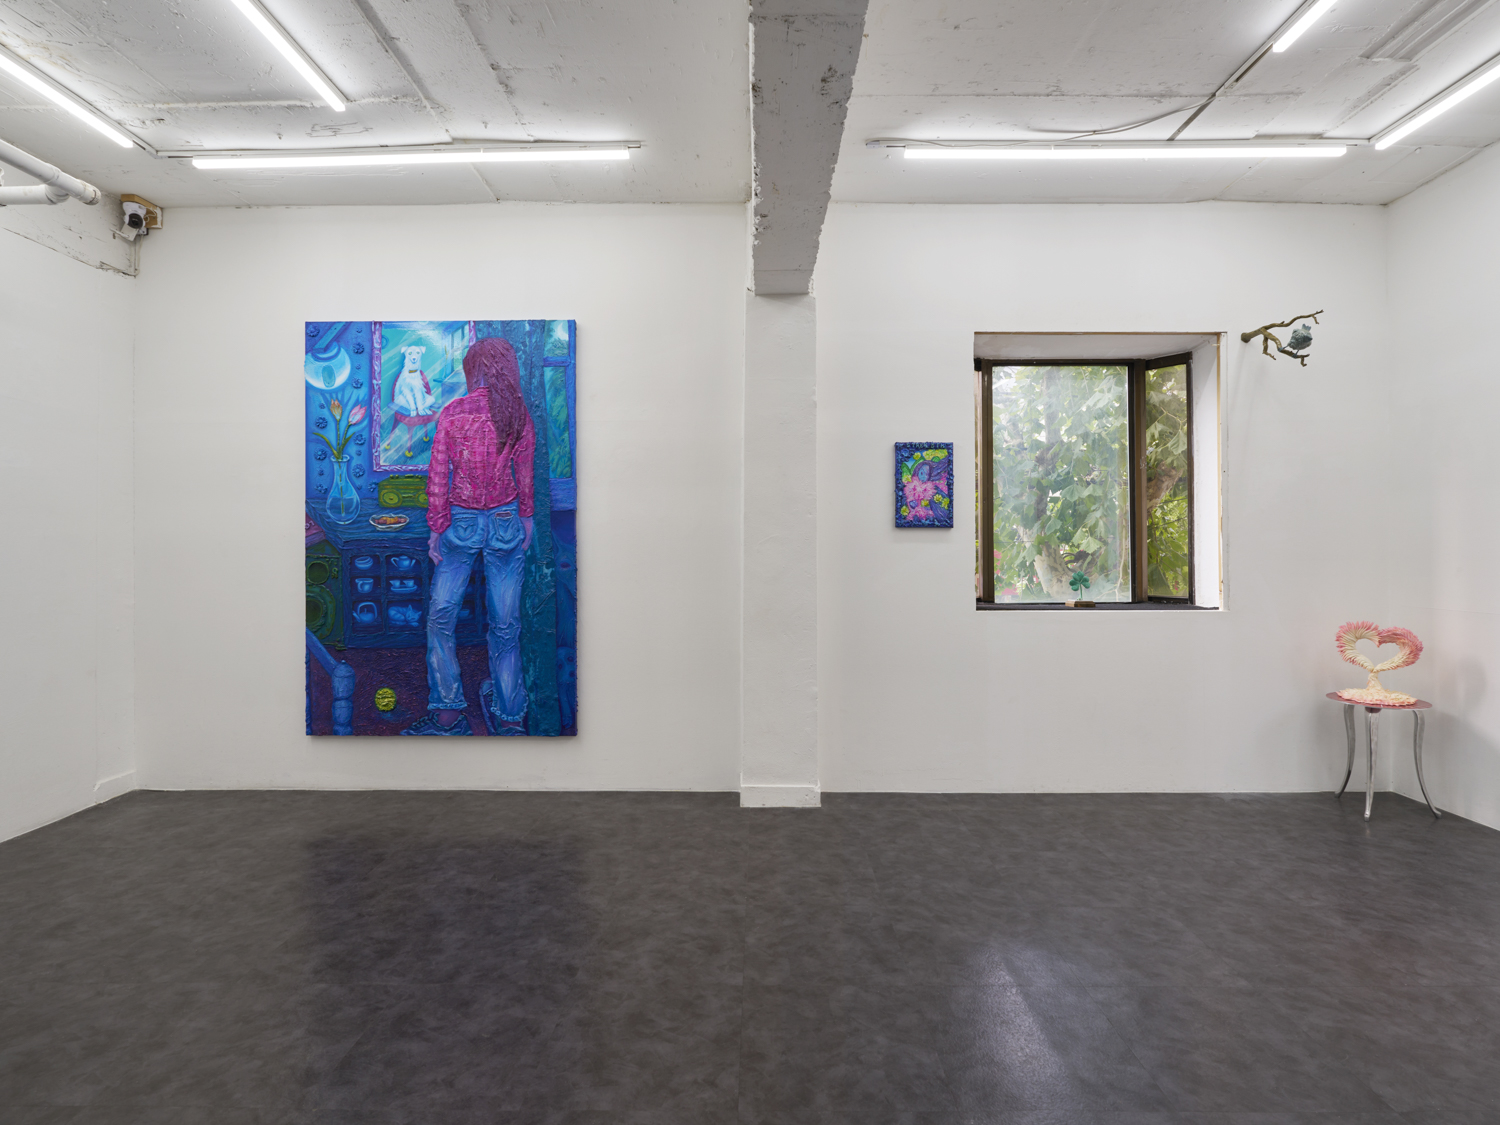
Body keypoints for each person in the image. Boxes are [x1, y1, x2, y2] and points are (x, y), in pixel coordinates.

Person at [402, 337, 534, 736]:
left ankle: (447, 715)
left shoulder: (453, 413)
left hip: (460, 522)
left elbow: (438, 477)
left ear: (472, 370)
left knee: (441, 618)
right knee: (506, 624)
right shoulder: (518, 415)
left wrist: (435, 528)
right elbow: (525, 477)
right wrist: (526, 518)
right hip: (506, 520)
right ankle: (510, 718)